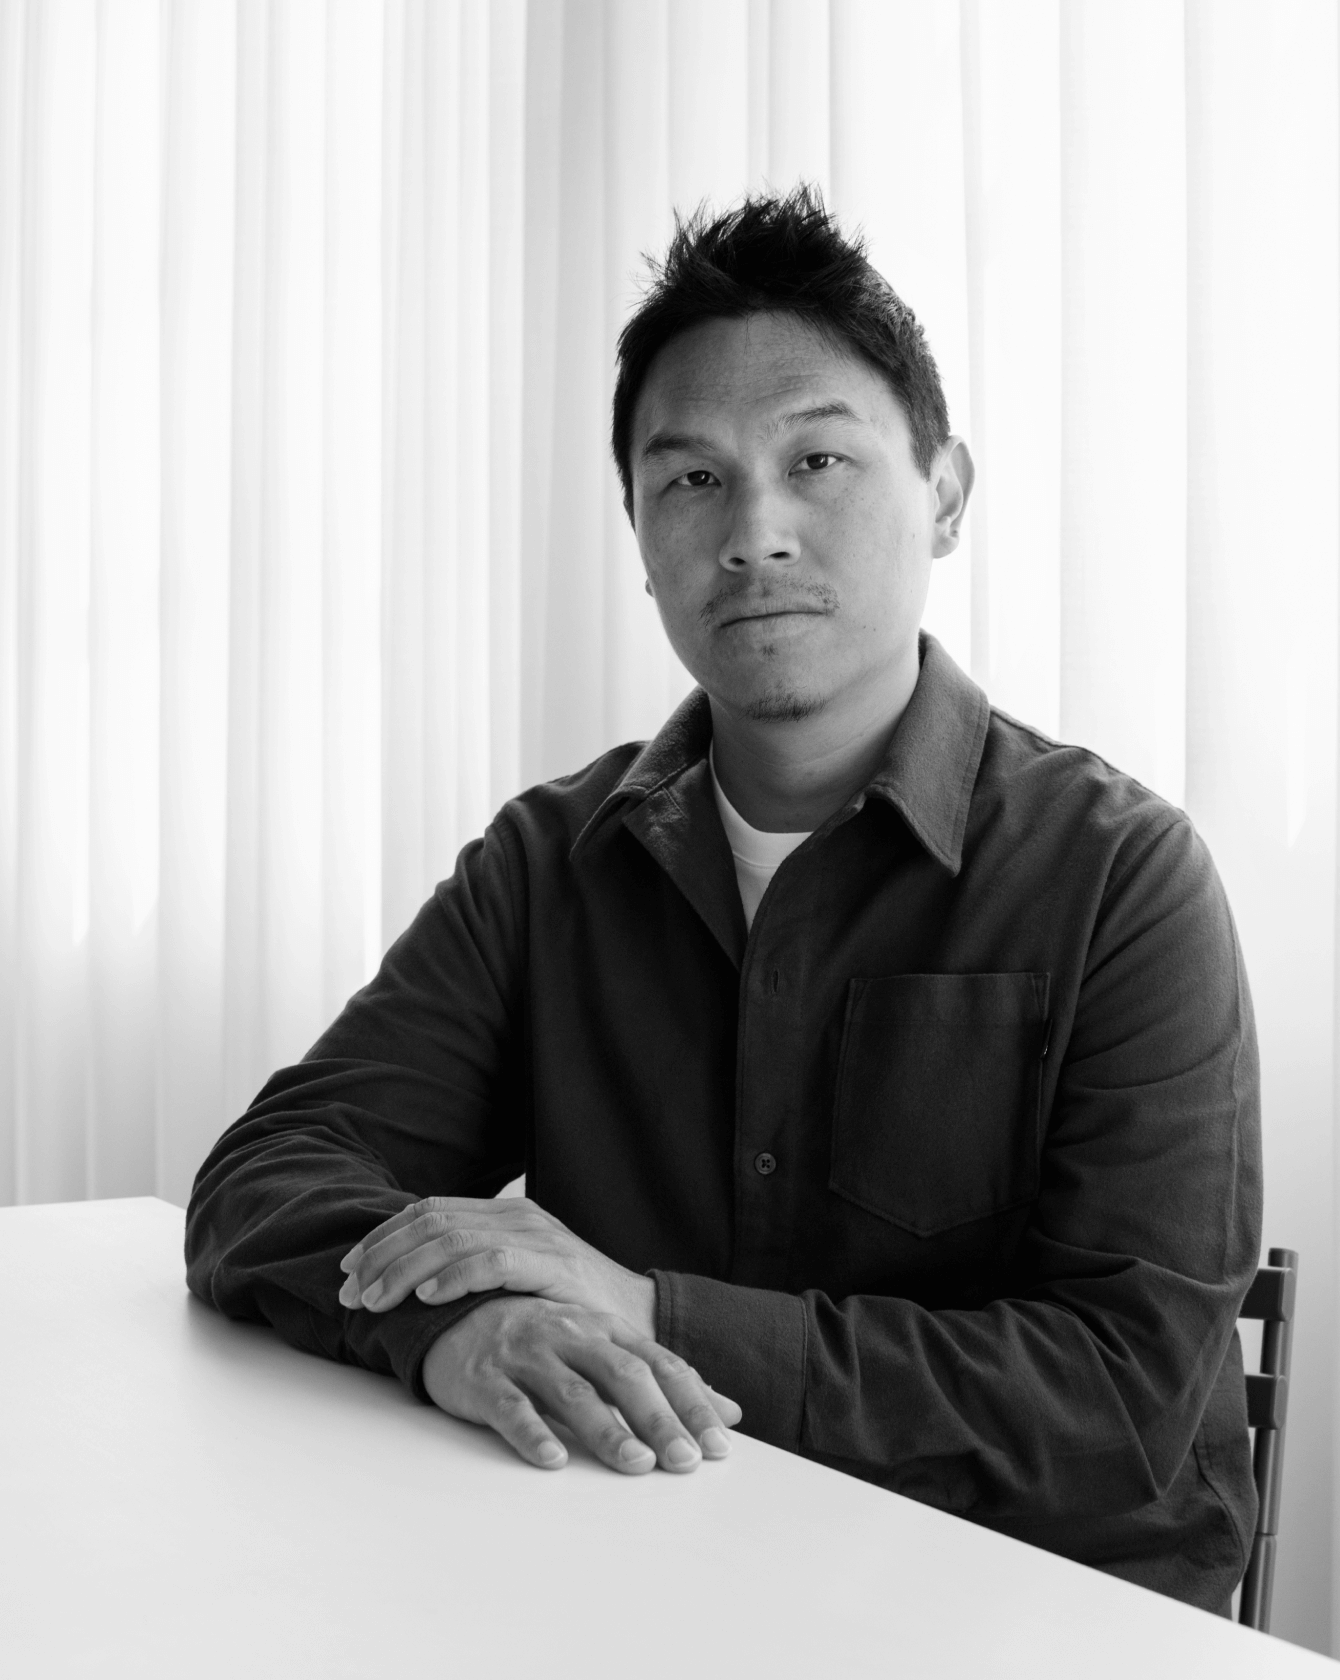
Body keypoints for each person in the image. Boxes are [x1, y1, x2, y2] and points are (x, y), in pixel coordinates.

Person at [186, 186, 1261, 1614]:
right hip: (647, 1582)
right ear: (639, 538)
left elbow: (1125, 1398)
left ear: (944, 495)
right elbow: (269, 1176)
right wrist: (453, 1328)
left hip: (1034, 1615)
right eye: (691, 479)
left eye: (817, 459)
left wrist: (649, 1314)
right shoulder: (549, 862)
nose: (754, 534)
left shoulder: (1123, 876)